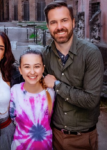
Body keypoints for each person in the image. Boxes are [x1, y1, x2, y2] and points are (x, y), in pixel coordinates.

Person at [43, 1, 104, 150]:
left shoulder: (91, 53)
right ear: (48, 26)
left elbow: (91, 100)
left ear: (73, 22)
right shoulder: (45, 54)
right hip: (54, 135)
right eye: (53, 22)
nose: (59, 27)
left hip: (82, 138)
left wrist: (57, 85)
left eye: (64, 20)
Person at [9, 49, 55, 150]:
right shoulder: (14, 92)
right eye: (27, 67)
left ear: (43, 69)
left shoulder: (51, 93)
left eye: (37, 66)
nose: (32, 71)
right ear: (20, 70)